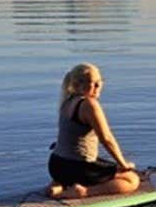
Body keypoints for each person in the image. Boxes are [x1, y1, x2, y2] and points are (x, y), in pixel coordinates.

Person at [47, 63, 140, 199]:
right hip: (76, 167)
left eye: (99, 82)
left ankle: (58, 185)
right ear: (79, 85)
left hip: (56, 166)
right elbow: (107, 139)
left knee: (106, 167)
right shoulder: (89, 105)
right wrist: (123, 164)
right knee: (132, 180)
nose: (98, 87)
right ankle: (83, 192)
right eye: (93, 83)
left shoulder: (67, 101)